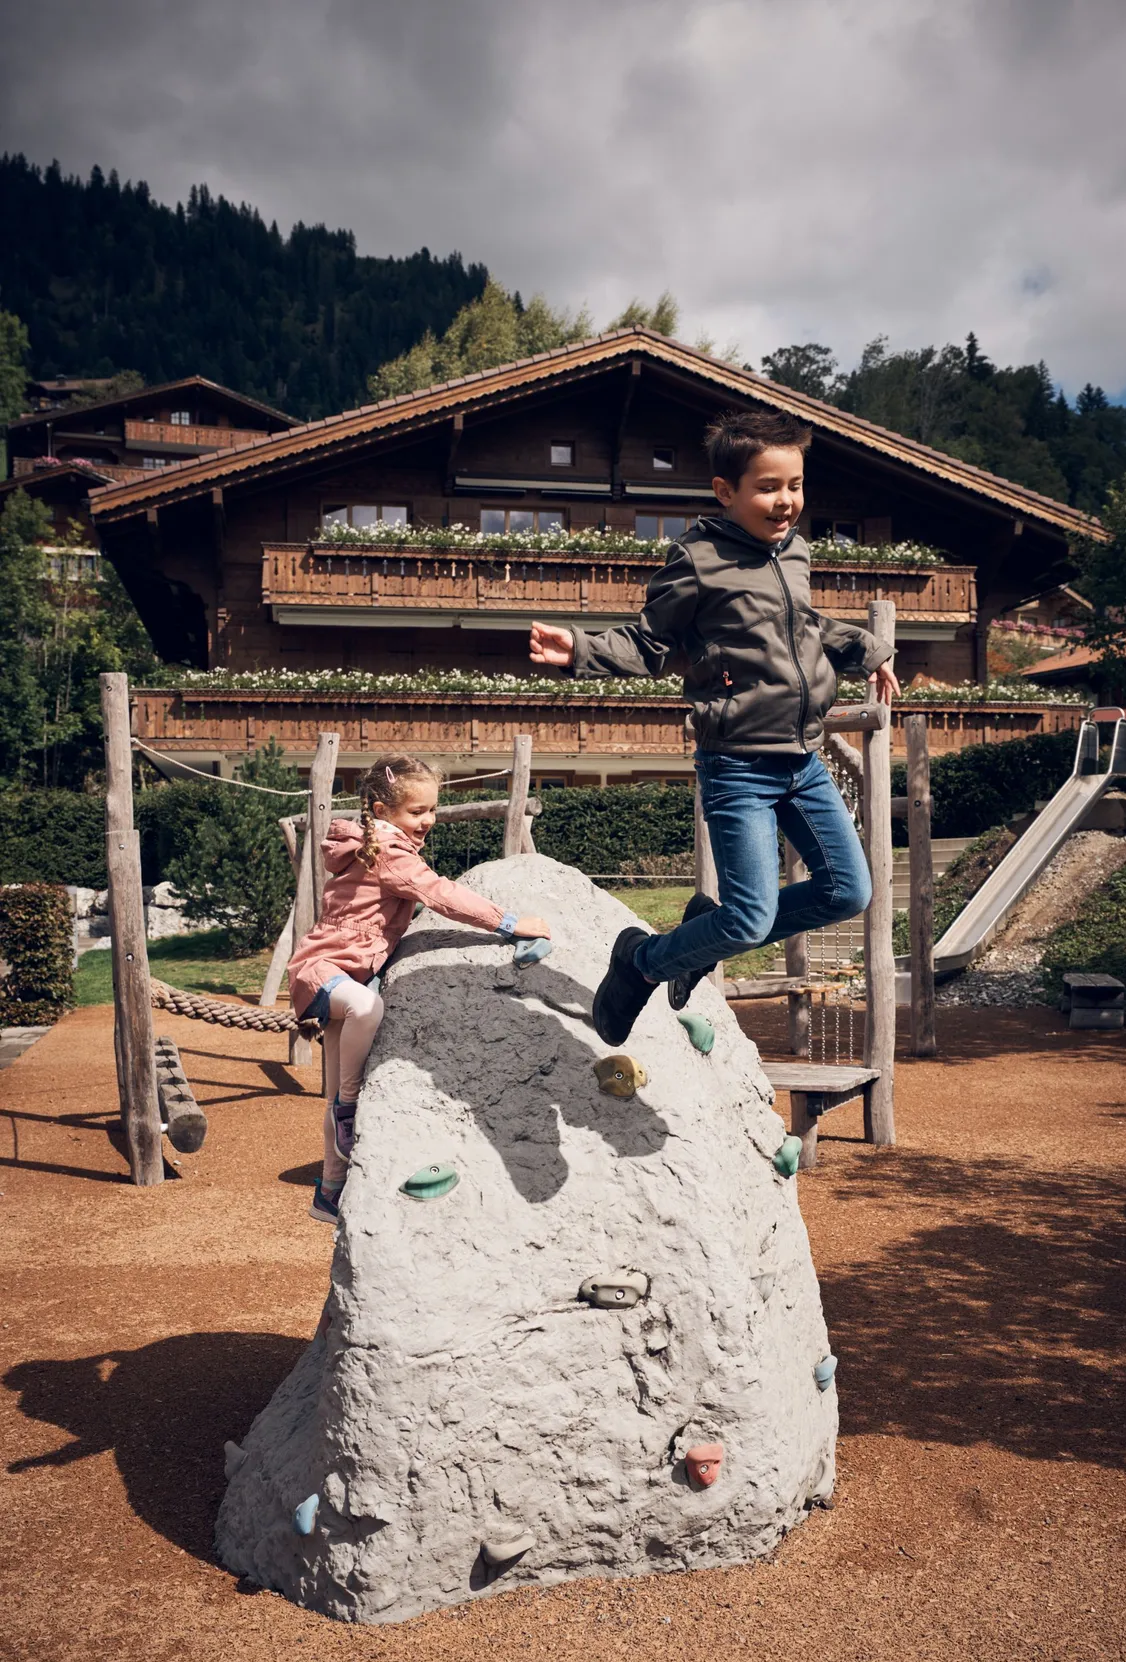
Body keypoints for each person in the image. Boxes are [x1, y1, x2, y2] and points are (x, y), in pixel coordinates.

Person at [529, 407, 901, 1046]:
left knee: (847, 891)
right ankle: (641, 963)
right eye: (768, 487)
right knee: (750, 921)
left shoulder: (795, 553)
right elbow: (648, 642)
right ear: (726, 492)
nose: (785, 502)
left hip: (803, 760)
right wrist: (580, 650)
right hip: (738, 766)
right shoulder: (697, 561)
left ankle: (694, 940)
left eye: (795, 485)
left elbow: (801, 628)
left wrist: (868, 649)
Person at [287, 755, 550, 1222]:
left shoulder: (377, 844)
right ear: (382, 811)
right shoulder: (390, 852)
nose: (427, 820)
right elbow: (440, 894)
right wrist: (509, 923)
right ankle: (350, 1106)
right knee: (366, 1011)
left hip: (348, 972)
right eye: (416, 811)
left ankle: (328, 1192)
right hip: (325, 971)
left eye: (431, 809)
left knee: (330, 1088)